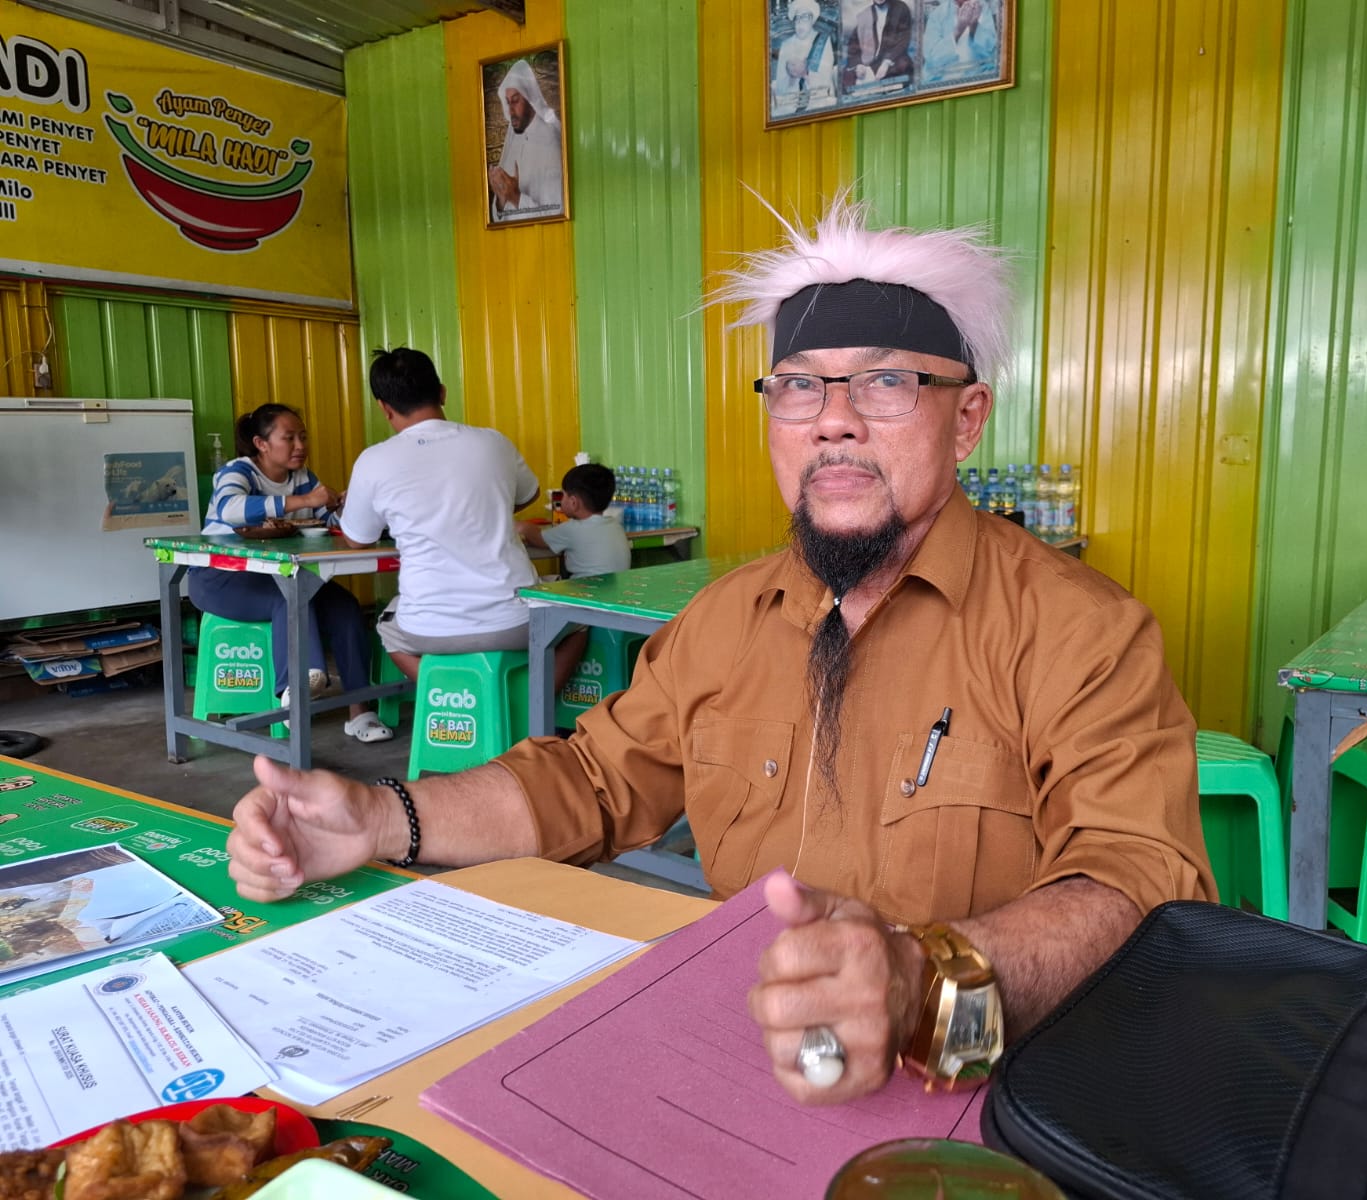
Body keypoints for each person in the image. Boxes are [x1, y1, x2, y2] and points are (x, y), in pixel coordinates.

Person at [226, 199, 1214, 1106]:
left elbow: (1137, 885)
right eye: (799, 387)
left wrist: (924, 981)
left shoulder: (1077, 628)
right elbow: (591, 781)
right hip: (742, 1072)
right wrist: (377, 817)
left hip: (977, 1092)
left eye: (886, 382)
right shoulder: (728, 619)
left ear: (966, 419)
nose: (833, 419)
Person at [338, 348, 542, 684]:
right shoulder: (494, 442)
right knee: (576, 624)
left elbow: (357, 539)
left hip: (428, 628)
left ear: (384, 408)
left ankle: (453, 694)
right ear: (443, 392)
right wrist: (483, 505)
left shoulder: (373, 460)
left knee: (388, 630)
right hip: (515, 621)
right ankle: (532, 704)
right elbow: (529, 494)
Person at [190, 404, 391, 743]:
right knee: (289, 599)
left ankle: (360, 713)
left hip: (282, 577)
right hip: (219, 579)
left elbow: (328, 522)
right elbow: (231, 509)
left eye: (303, 437)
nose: (300, 445)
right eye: (289, 438)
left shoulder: (302, 478)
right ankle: (295, 690)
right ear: (261, 444)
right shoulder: (238, 472)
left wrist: (344, 508)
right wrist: (303, 501)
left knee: (344, 607)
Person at [518, 462, 632, 691]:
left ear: (573, 502)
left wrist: (521, 527)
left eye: (563, 495)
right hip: (615, 596)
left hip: (589, 599)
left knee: (533, 592)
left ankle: (541, 687)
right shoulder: (614, 525)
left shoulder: (574, 529)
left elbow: (539, 539)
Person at [489, 53, 563, 218]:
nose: (510, 111)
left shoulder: (550, 140)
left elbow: (557, 213)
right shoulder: (513, 138)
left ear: (530, 99)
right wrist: (501, 200)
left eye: (515, 100)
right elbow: (497, 216)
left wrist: (515, 197)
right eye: (508, 102)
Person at [773, 0, 837, 115]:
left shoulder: (823, 40)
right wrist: (791, 75)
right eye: (797, 18)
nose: (800, 22)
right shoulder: (786, 45)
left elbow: (826, 79)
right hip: (790, 104)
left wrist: (805, 73)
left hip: (818, 100)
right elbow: (780, 88)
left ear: (812, 20)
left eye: (805, 17)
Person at [845, 0, 913, 90]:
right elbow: (853, 45)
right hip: (869, 63)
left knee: (903, 66)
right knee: (845, 77)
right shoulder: (864, 15)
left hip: (894, 59)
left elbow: (904, 39)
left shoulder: (901, 8)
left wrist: (886, 62)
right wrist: (858, 65)